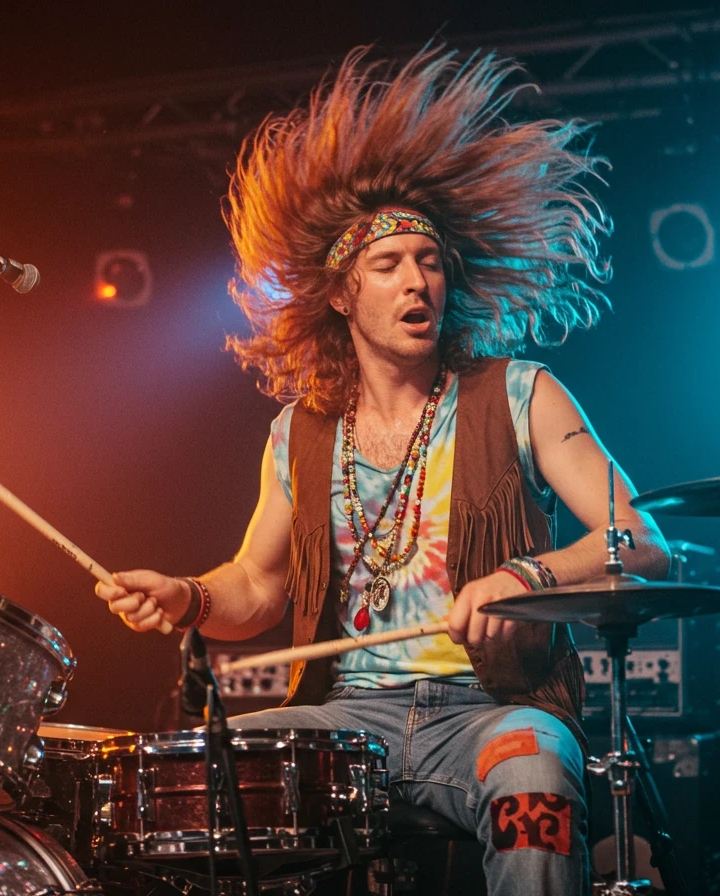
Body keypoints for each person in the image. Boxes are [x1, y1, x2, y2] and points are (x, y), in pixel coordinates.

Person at [96, 45, 669, 895]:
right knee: (193, 780)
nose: (417, 282)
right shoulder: (300, 431)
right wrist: (186, 596)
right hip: (345, 720)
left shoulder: (520, 393)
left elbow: (644, 541)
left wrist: (528, 575)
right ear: (341, 295)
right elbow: (257, 587)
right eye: (389, 265)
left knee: (535, 779)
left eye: (430, 262)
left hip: (493, 712)